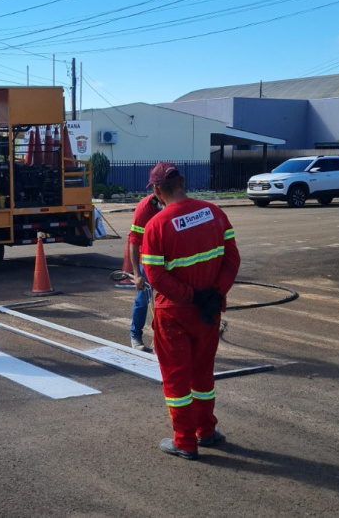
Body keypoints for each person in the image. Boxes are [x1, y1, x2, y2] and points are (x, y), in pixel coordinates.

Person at [141, 162, 240, 460]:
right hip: (209, 311)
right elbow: (232, 260)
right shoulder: (214, 213)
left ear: (157, 190)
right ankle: (206, 431)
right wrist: (215, 294)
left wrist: (190, 296)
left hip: (174, 313)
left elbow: (155, 277)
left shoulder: (156, 225)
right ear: (182, 182)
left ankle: (184, 442)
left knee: (176, 379)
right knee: (203, 374)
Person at [126, 175, 166, 352]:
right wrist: (137, 274)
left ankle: (161, 340)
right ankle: (136, 335)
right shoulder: (145, 209)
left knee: (168, 303)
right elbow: (134, 241)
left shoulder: (175, 205)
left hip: (170, 261)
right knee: (143, 299)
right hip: (149, 262)